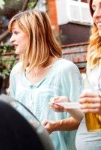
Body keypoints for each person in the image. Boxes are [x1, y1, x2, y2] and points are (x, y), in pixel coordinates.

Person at [8, 10, 83, 150]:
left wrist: (56, 126)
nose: (11, 39)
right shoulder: (16, 72)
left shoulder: (65, 70)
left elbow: (84, 118)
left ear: (33, 33)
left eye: (16, 33)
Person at [50, 0, 101, 149]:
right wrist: (69, 106)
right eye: (93, 8)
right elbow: (92, 120)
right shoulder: (95, 54)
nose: (96, 15)